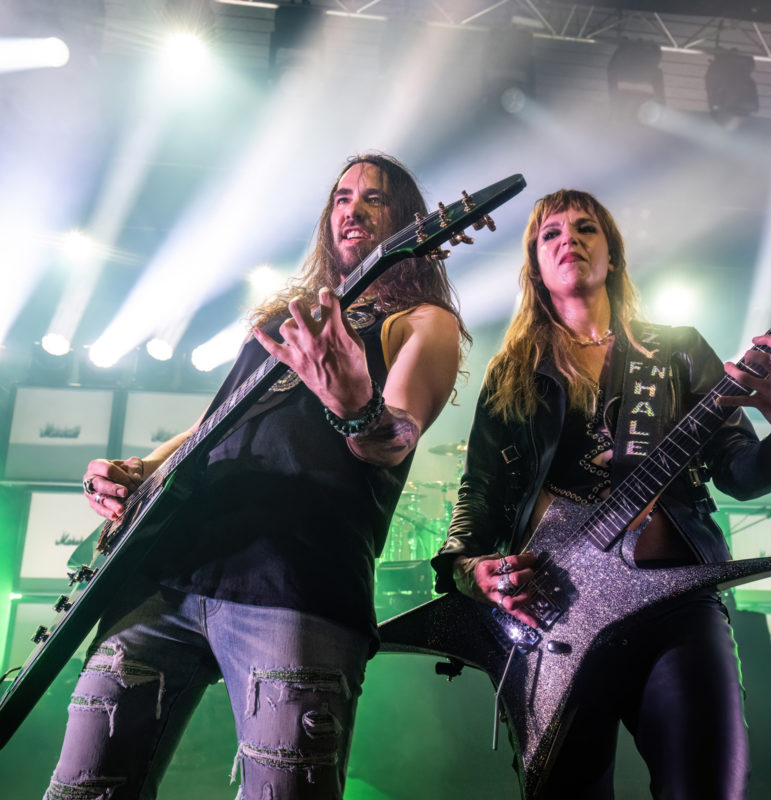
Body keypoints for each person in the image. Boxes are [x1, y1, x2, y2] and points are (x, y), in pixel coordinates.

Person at [48, 154, 466, 800]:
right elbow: (213, 423)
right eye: (342, 197)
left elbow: (396, 439)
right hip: (171, 569)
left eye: (375, 199)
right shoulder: (286, 318)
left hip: (294, 579)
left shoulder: (422, 321)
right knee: (83, 788)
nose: (353, 209)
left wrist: (355, 406)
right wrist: (140, 469)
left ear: (410, 219)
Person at [431, 189, 771, 798]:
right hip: (557, 615)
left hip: (674, 602)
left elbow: (738, 471)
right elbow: (481, 491)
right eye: (550, 234)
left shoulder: (676, 350)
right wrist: (469, 567)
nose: (569, 239)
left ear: (613, 255)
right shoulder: (511, 372)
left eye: (586, 228)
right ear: (535, 266)